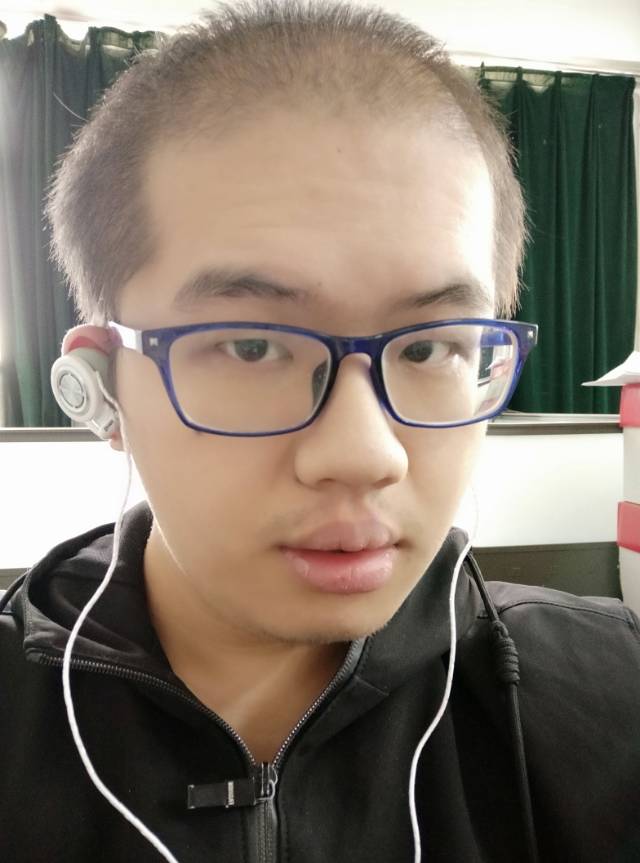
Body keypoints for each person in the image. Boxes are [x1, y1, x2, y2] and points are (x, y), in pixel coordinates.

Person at [1, 2, 638, 861]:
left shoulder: (610, 692)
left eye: (430, 346)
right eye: (251, 345)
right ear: (103, 386)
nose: (365, 455)